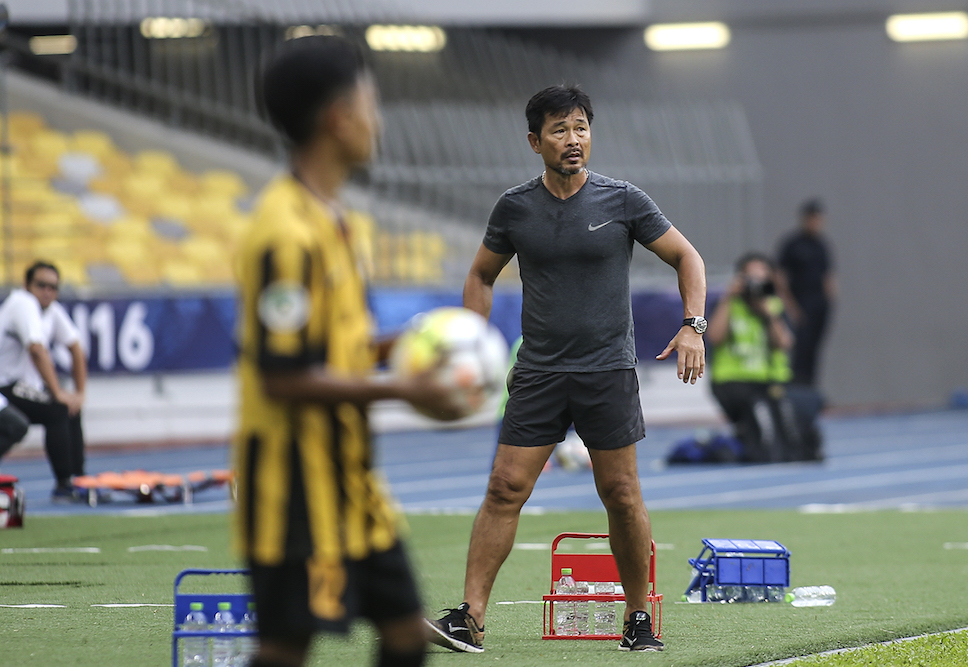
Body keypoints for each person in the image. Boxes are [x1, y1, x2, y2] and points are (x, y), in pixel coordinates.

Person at [426, 85, 707, 654]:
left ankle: (638, 618)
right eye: (560, 130)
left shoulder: (622, 200)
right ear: (535, 141)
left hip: (607, 371)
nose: (573, 139)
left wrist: (692, 325)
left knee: (620, 492)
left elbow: (687, 256)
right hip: (539, 373)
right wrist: (471, 341)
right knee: (504, 487)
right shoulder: (515, 208)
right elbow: (480, 275)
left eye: (581, 128)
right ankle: (470, 618)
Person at [234, 35, 474, 667]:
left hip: (352, 483)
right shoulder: (284, 233)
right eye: (372, 104)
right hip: (290, 484)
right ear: (339, 118)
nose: (379, 121)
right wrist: (405, 389)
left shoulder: (337, 221)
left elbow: (336, 346)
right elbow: (284, 376)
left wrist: (414, 344)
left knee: (406, 634)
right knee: (286, 647)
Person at [0, 261, 88, 501]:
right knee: (58, 408)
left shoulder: (51, 310)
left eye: (53, 287)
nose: (47, 292)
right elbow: (37, 349)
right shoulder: (23, 303)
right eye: (41, 285)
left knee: (70, 408)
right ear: (26, 285)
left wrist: (79, 394)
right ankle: (65, 484)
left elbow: (76, 347)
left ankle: (79, 479)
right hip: (4, 384)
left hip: (18, 387)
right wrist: (58, 392)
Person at [706, 253, 803, 463]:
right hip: (733, 380)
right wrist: (728, 297)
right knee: (761, 425)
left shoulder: (773, 305)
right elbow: (713, 337)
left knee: (794, 421)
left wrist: (768, 314)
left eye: (762, 277)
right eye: (751, 277)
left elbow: (784, 343)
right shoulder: (728, 304)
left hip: (767, 380)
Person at [776, 198, 837, 386]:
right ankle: (796, 386)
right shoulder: (793, 244)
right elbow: (780, 277)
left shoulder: (821, 245)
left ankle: (810, 386)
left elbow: (828, 275)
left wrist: (829, 302)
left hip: (819, 304)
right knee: (799, 347)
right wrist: (790, 306)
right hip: (800, 302)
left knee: (814, 348)